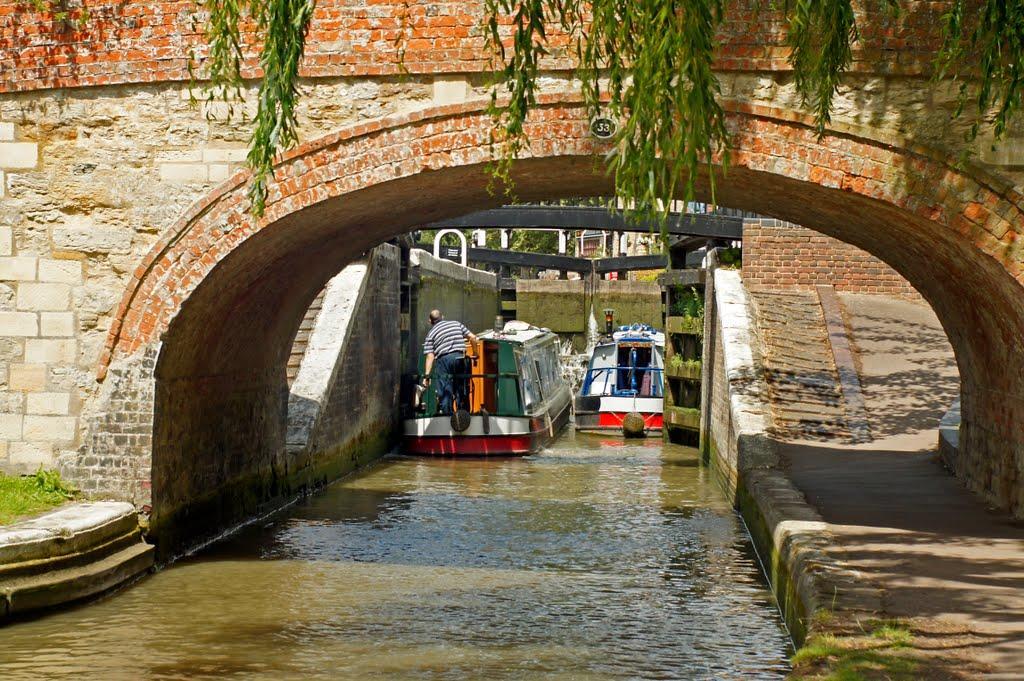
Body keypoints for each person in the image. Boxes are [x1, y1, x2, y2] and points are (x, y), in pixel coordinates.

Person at [422, 309, 478, 416]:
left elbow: (430, 356)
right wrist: (475, 354)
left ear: (430, 321)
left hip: (443, 361)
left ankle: (448, 416)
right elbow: (473, 337)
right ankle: (463, 415)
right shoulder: (456, 324)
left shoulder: (431, 334)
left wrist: (427, 377)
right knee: (462, 388)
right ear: (442, 317)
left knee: (445, 390)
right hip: (460, 358)